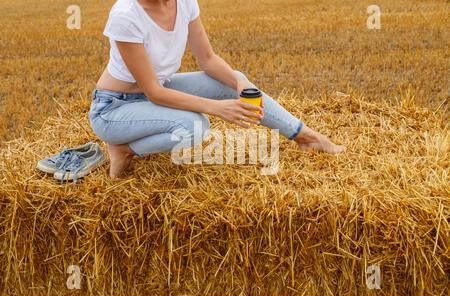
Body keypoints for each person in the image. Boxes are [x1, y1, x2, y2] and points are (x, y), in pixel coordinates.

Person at [89, 0, 345, 178]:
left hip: (154, 92)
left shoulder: (184, 2)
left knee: (233, 78)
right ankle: (124, 149)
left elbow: (208, 59)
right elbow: (155, 91)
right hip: (115, 108)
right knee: (195, 126)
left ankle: (305, 137)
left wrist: (239, 84)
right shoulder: (125, 15)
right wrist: (218, 108)